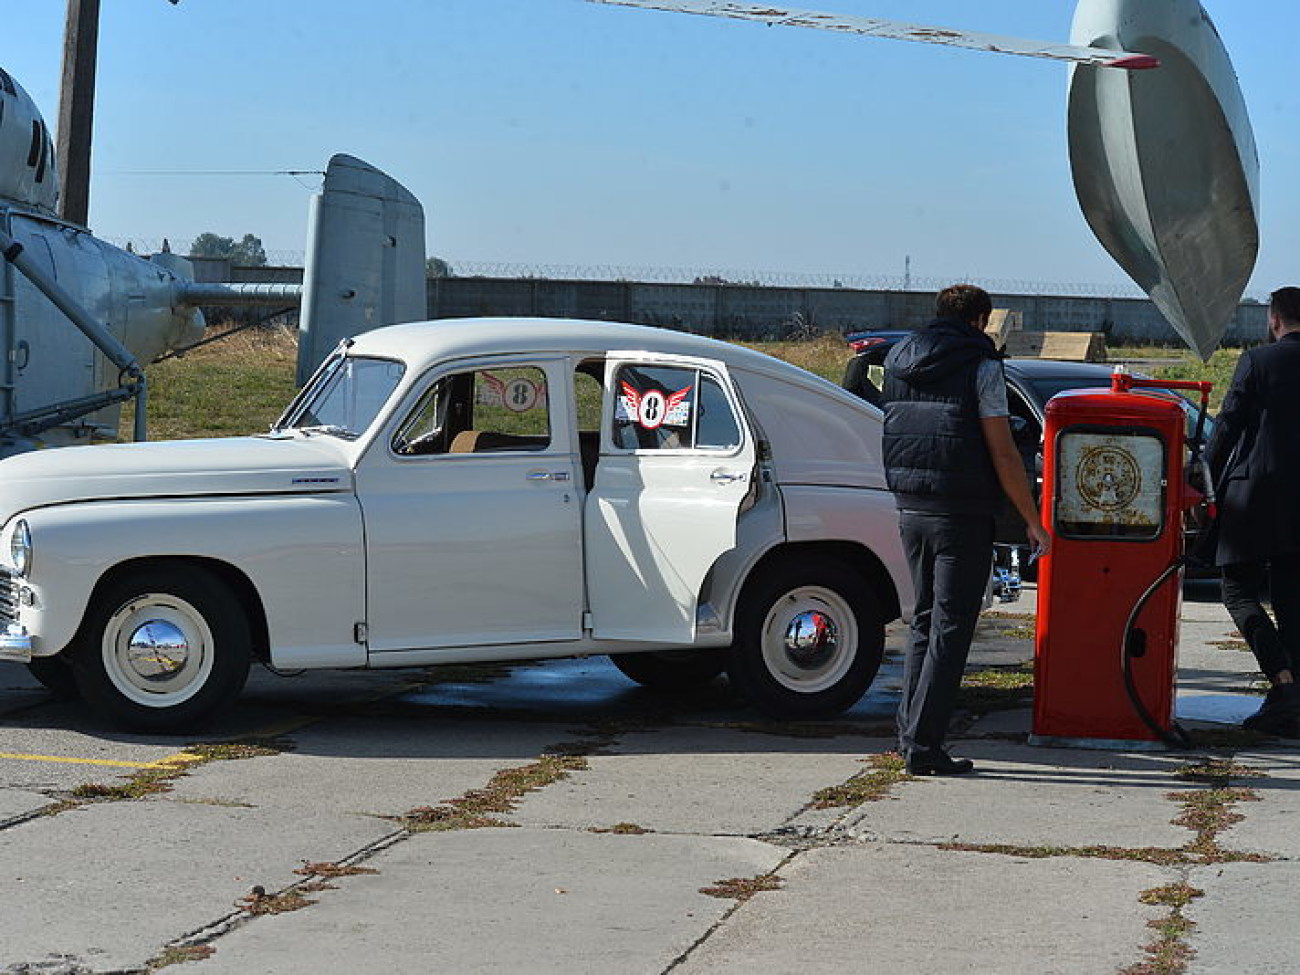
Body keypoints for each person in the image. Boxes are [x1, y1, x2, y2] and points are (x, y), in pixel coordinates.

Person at [882, 284, 1051, 775]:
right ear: (981, 320)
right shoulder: (983, 366)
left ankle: (909, 735)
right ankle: (925, 747)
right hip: (962, 509)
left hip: (910, 505)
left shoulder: (898, 358)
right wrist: (1032, 520)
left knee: (923, 621)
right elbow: (1002, 450)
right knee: (951, 629)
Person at [1204, 287, 1300, 734]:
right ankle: (1291, 702)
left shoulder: (1258, 362)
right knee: (1292, 601)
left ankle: (1283, 685)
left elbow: (1228, 426)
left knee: (1237, 591)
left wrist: (1201, 474)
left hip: (1256, 498)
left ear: (1274, 320)